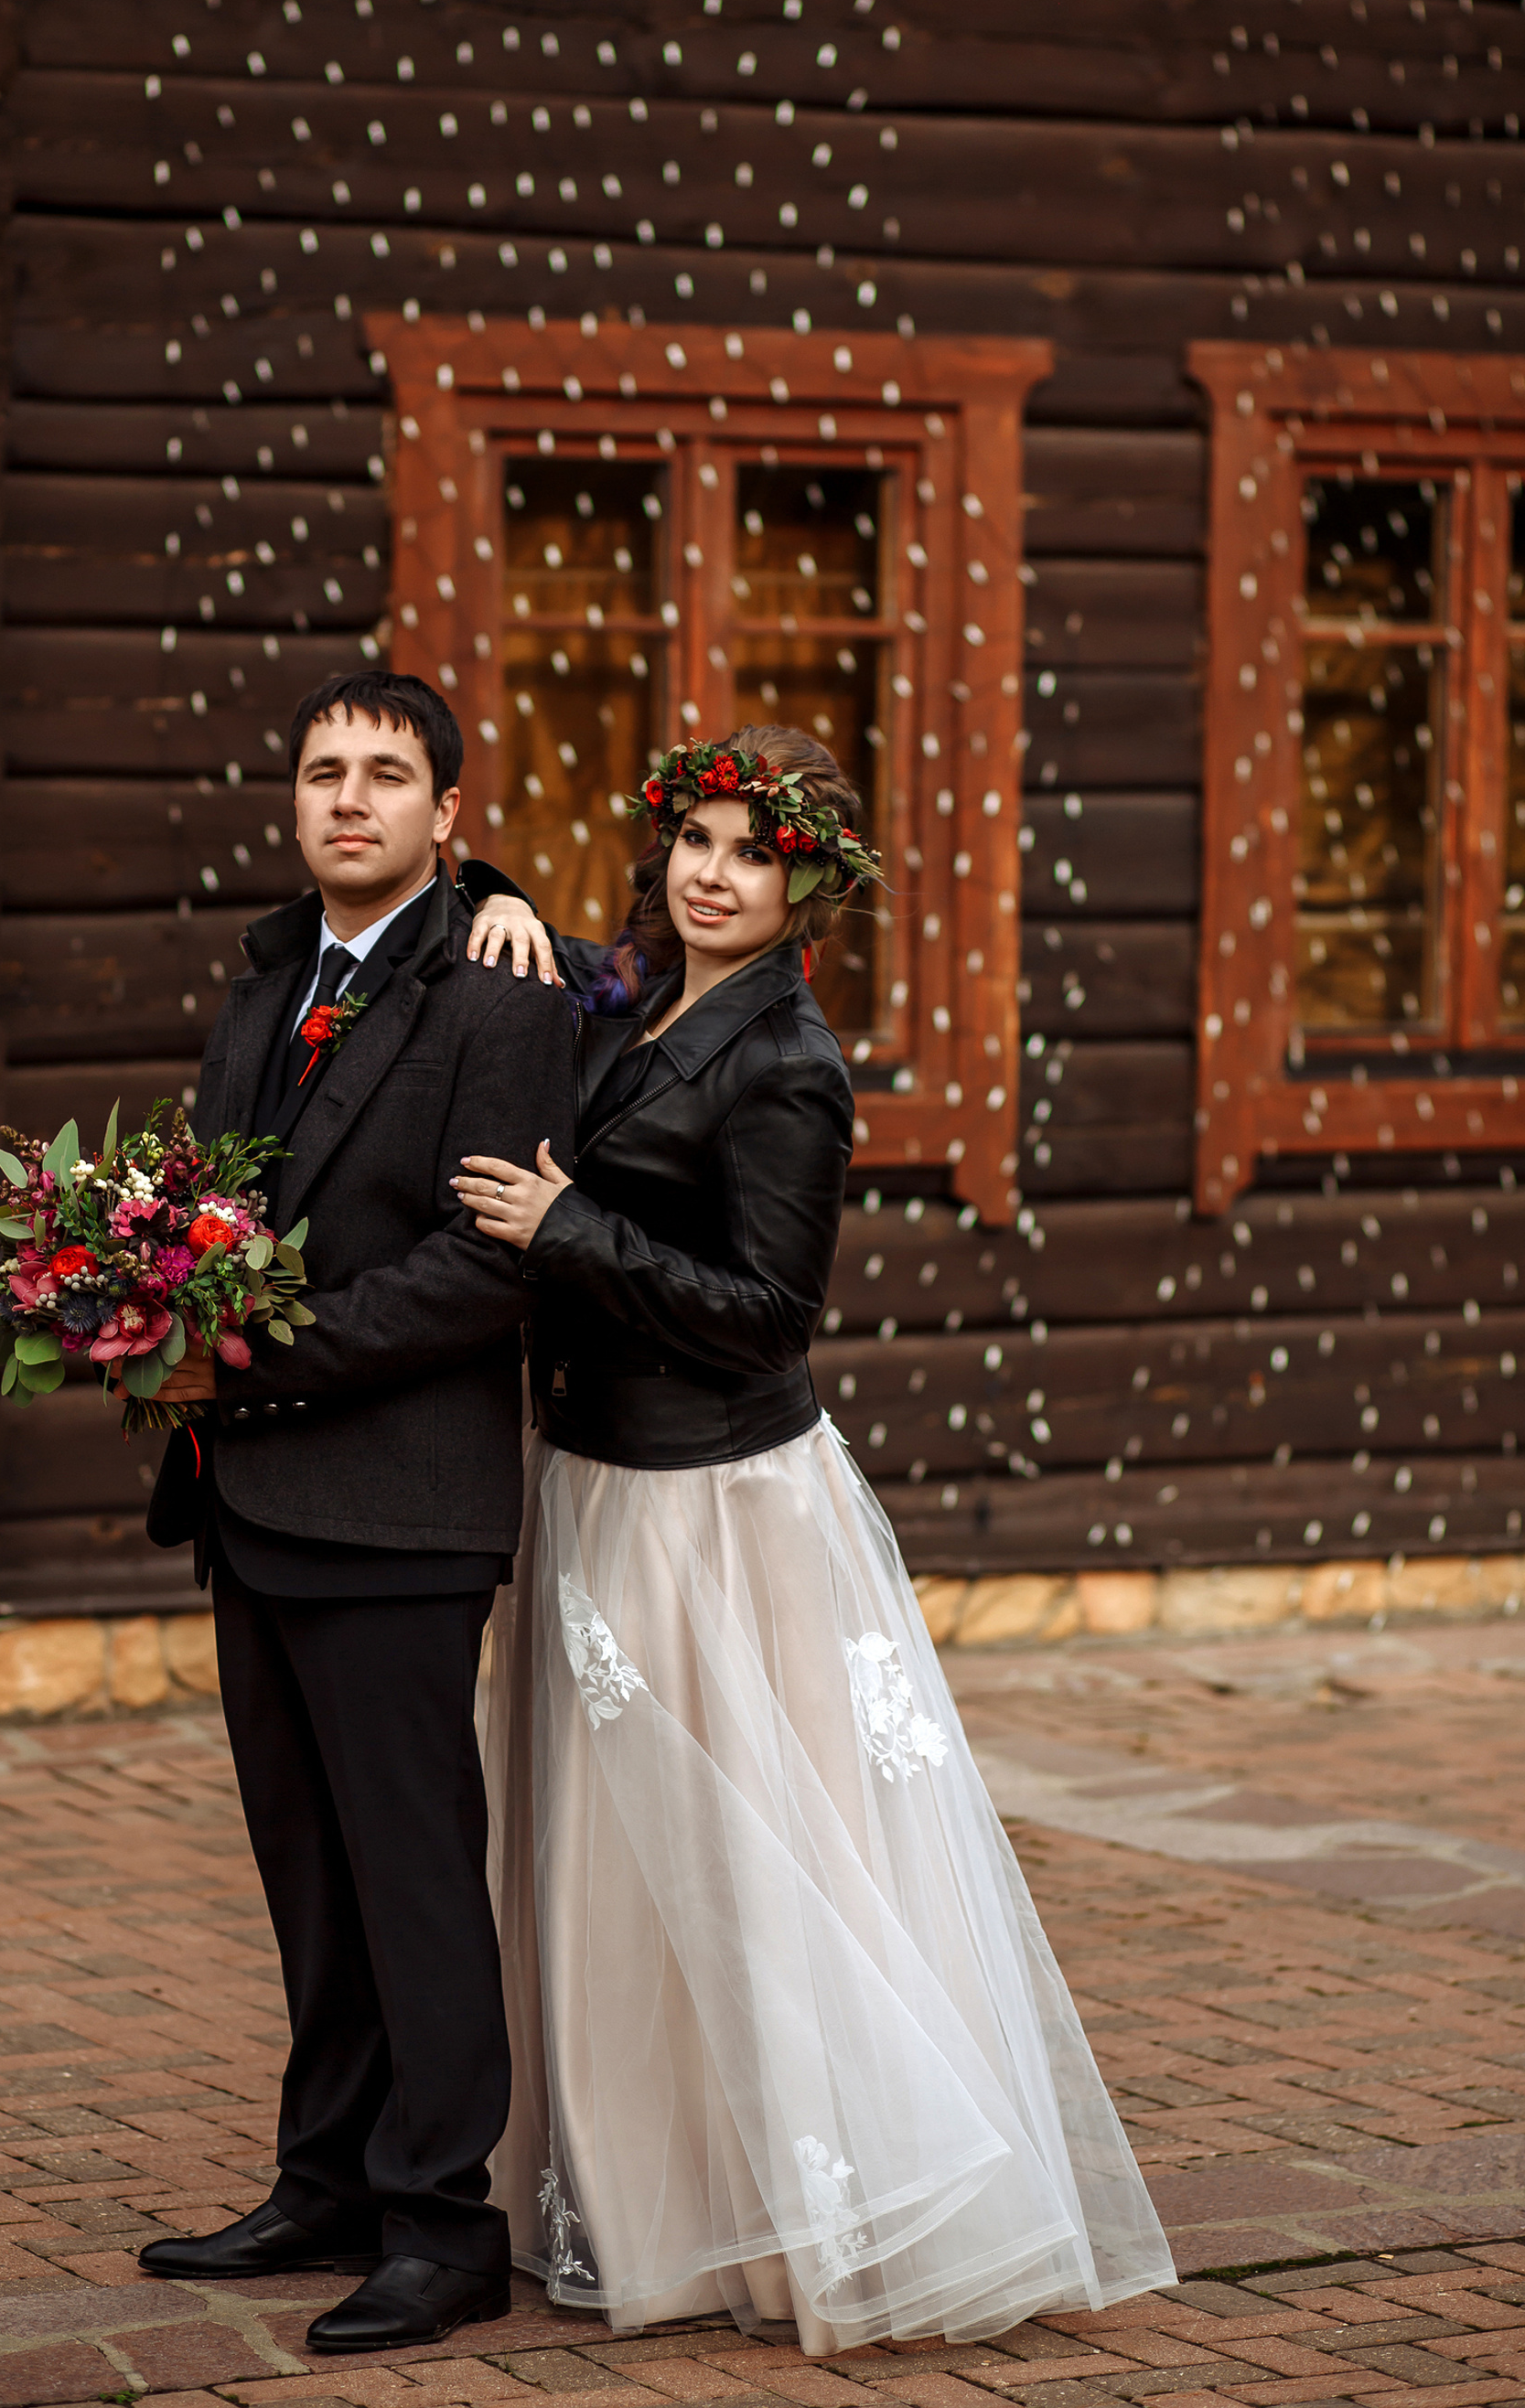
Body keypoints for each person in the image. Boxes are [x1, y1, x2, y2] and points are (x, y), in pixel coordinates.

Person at [449, 724, 1176, 2352]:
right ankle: (658, 2200)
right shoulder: (649, 994)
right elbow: (571, 979)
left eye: (749, 854)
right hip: (595, 1481)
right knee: (619, 1866)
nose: (713, 874)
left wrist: (571, 1230)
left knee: (742, 1862)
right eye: (695, 841)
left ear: (805, 890)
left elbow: (769, 1317)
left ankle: (806, 2215)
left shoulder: (790, 1063)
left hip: (710, 1510)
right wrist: (491, 893)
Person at [130, 669, 577, 2358]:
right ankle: (322, 2177)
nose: (347, 799)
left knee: (410, 1873)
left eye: (387, 776)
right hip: (248, 1501)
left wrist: (251, 1363)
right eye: (324, 771)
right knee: (306, 1871)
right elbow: (204, 1212)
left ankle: (441, 2222)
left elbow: (485, 1266)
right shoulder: (262, 983)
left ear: (448, 816)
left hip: (398, 1503)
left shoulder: (499, 985)